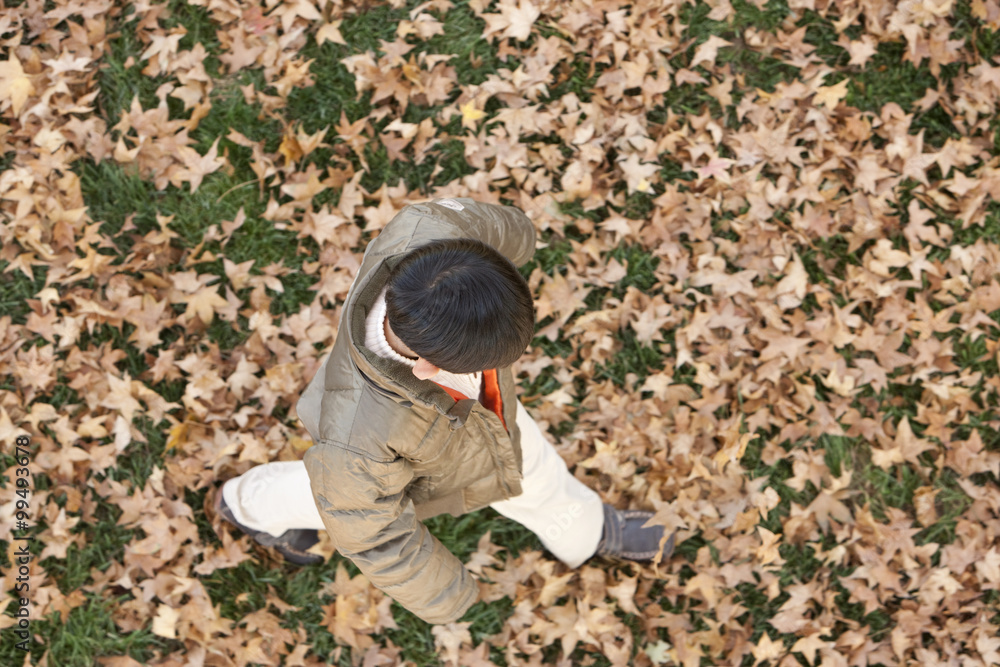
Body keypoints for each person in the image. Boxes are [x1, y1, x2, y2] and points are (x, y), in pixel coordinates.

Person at [214, 197, 676, 624]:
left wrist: (521, 236)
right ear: (429, 367)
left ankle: (587, 531)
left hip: (478, 423)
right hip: (395, 460)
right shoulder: (358, 444)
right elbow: (375, 536)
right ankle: (244, 505)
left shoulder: (432, 229)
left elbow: (491, 225)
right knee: (327, 500)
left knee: (527, 463)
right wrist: (446, 596)